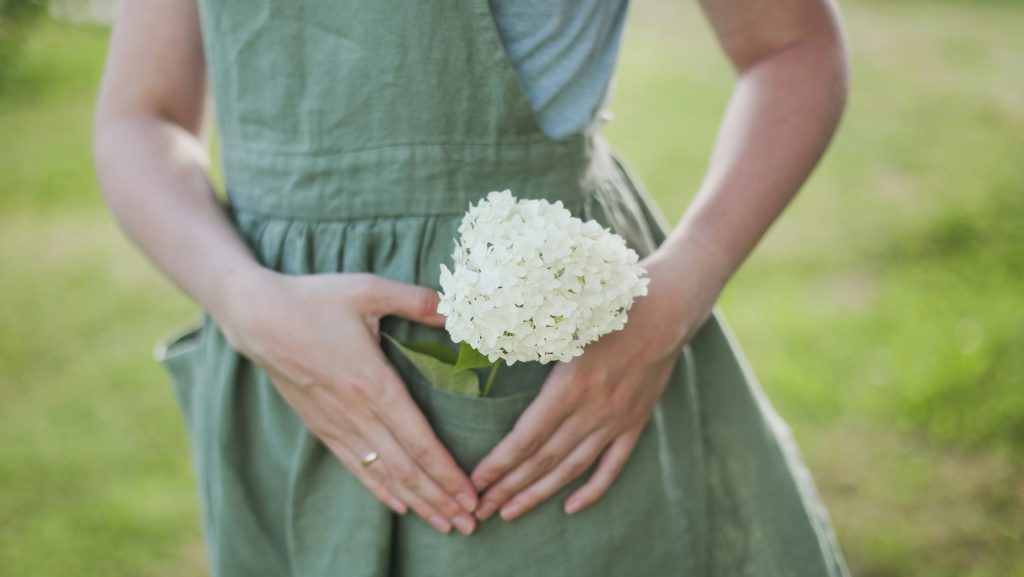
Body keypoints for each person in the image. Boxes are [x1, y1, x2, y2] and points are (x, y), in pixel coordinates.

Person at [92, 0, 852, 575]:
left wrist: (685, 286)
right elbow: (139, 114)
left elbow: (791, 46)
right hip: (281, 386)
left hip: (555, 395)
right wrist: (241, 299)